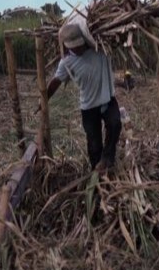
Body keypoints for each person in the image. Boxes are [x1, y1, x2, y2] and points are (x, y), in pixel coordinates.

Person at [46, 22, 122, 173]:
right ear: (67, 46)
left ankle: (107, 159)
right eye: (74, 47)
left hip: (108, 99)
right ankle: (96, 170)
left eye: (79, 45)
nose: (79, 48)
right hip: (89, 106)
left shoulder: (99, 47)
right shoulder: (66, 62)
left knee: (115, 124)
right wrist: (44, 99)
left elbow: (119, 40)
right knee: (94, 143)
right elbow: (55, 82)